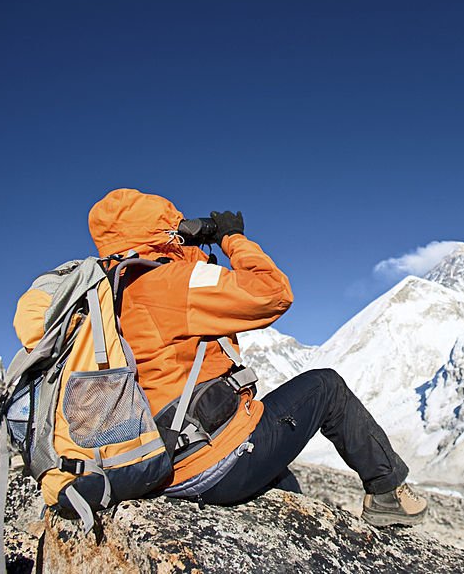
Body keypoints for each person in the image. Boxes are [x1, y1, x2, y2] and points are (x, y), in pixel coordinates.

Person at [80, 188, 427, 525]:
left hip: (157, 464)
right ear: (166, 230)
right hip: (210, 463)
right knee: (327, 386)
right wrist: (232, 238)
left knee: (283, 481)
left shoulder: (104, 300)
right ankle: (388, 494)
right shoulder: (170, 283)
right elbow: (273, 293)